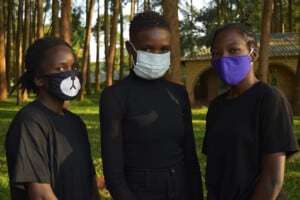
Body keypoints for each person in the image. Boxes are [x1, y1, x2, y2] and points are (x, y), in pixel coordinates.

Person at [100, 11, 203, 200]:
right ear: (131, 49)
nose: (157, 55)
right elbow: (114, 174)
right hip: (139, 192)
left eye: (164, 49)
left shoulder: (178, 94)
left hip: (181, 190)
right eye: (148, 49)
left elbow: (190, 157)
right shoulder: (115, 96)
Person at [202, 23, 299, 200]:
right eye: (216, 53)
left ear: (253, 54)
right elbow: (214, 171)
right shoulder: (216, 107)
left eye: (233, 50)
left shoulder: (269, 99)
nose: (224, 58)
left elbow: (272, 181)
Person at [5, 37, 99, 200]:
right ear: (39, 79)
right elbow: (40, 194)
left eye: (73, 67)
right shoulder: (30, 122)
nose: (70, 74)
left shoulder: (77, 123)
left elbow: (90, 182)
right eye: (60, 68)